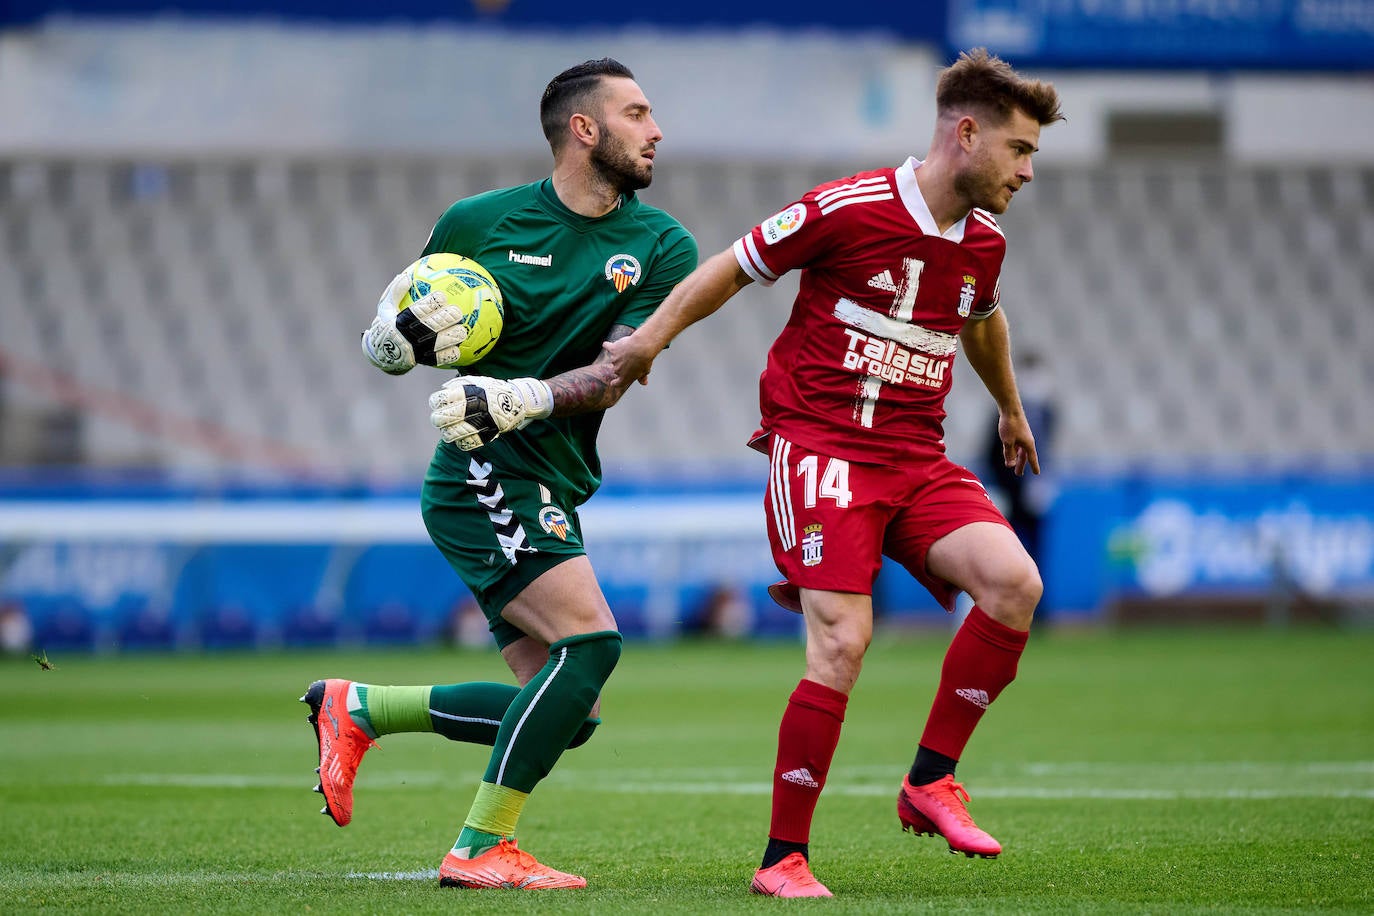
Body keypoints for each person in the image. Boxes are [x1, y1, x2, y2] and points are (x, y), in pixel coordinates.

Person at [606, 48, 1063, 897]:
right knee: (843, 640)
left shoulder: (986, 244)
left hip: (915, 459)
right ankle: (783, 859)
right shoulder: (848, 209)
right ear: (966, 134)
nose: (1028, 170)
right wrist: (645, 343)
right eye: (1019, 149)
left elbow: (984, 321)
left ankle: (930, 781)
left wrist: (1008, 407)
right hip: (821, 447)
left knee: (1013, 582)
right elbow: (730, 268)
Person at [302, 58, 697, 891]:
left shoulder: (662, 246)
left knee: (573, 713)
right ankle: (481, 847)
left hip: (552, 473)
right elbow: (413, 331)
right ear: (584, 130)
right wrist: (388, 342)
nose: (656, 128)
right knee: (591, 647)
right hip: (483, 474)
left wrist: (524, 395)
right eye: (637, 111)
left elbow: (620, 367)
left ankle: (361, 708)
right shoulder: (475, 222)